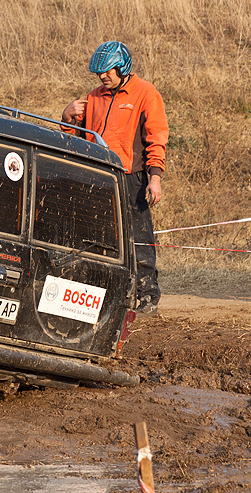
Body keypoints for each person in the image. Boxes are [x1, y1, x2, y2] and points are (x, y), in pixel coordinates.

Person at [60, 41, 168, 315]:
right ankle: (104, 293)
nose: (101, 77)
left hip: (131, 177)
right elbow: (74, 139)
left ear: (122, 67)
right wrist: (66, 117)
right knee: (96, 236)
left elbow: (156, 138)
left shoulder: (146, 93)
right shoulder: (93, 96)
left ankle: (147, 294)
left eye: (106, 72)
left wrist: (154, 178)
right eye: (99, 73)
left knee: (138, 235)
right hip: (96, 176)